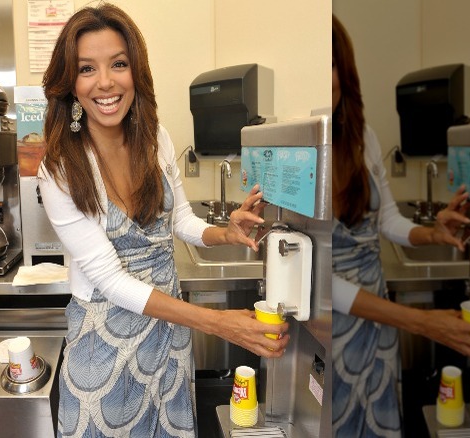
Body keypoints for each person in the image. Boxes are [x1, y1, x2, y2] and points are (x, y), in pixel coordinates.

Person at [38, 4, 289, 436]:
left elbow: (180, 221)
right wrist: (216, 322)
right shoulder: (60, 169)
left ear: (136, 70)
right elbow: (111, 280)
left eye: (118, 64)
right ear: (70, 85)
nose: (105, 82)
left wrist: (223, 233)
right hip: (104, 347)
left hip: (167, 340)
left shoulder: (155, 139)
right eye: (86, 69)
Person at [331, 14, 470, 437]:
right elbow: (324, 281)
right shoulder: (306, 148)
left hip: (378, 315)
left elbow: (386, 219)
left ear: (343, 71)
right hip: (334, 325)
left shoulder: (362, 136)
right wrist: (422, 322)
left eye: (330, 64)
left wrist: (431, 232)